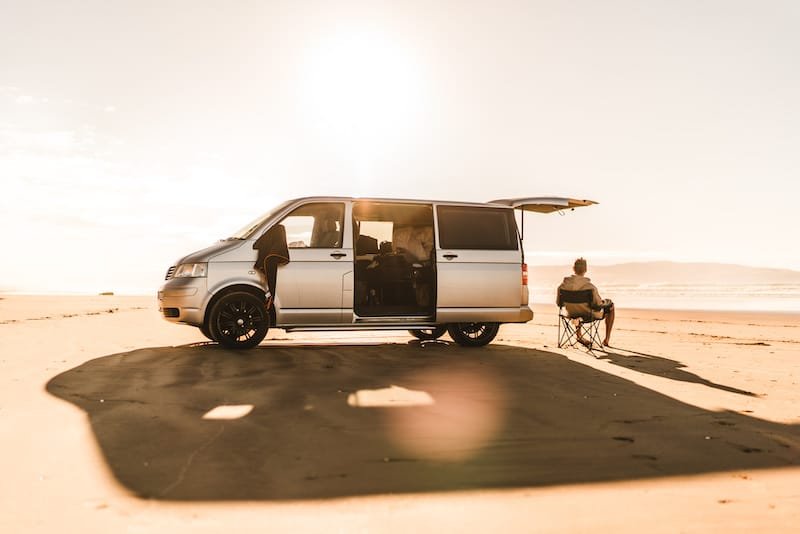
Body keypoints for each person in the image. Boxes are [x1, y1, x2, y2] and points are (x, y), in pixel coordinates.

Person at [557, 257, 615, 347]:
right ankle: (606, 340)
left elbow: (559, 304)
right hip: (588, 315)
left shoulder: (563, 286)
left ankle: (579, 335)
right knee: (611, 306)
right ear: (586, 270)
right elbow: (597, 305)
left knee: (577, 308)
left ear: (573, 269)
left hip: (571, 315)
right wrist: (606, 302)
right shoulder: (590, 287)